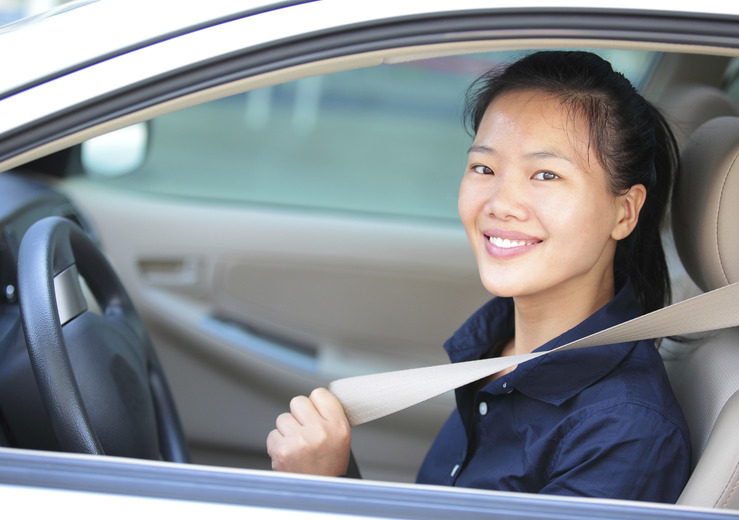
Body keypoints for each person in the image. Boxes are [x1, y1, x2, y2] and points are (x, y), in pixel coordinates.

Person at [266, 50, 691, 502]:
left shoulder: (625, 432)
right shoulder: (499, 352)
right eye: (484, 168)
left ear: (624, 212)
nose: (500, 202)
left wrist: (324, 489)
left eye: (545, 174)